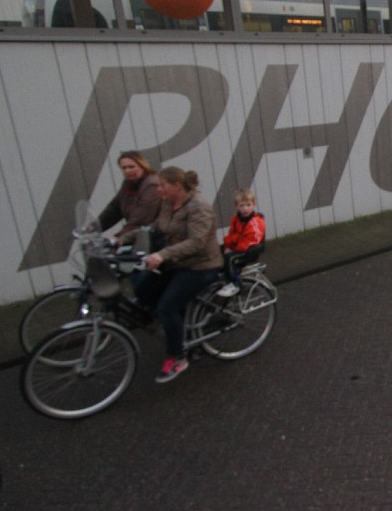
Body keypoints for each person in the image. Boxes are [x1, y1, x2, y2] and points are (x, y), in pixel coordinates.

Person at [135, 167, 224, 383]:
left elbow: (197, 242)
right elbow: (157, 227)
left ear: (176, 186)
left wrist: (162, 255)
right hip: (177, 261)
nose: (158, 189)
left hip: (201, 265)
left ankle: (177, 357)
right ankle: (176, 326)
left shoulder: (198, 207)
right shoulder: (169, 202)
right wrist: (122, 239)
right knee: (142, 289)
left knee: (166, 307)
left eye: (162, 185)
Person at [96, 150, 161, 244]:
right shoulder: (128, 183)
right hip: (136, 235)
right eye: (124, 168)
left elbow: (141, 219)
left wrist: (118, 236)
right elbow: (114, 209)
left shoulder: (151, 185)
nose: (127, 171)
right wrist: (92, 228)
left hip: (152, 237)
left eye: (131, 167)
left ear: (142, 166)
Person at [217, 188, 267, 298]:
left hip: (248, 251)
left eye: (248, 205)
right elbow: (231, 234)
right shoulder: (235, 219)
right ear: (237, 206)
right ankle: (221, 276)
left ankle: (235, 284)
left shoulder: (255, 222)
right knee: (216, 251)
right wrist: (228, 246)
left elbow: (251, 241)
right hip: (237, 247)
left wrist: (232, 249)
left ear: (253, 205)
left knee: (229, 258)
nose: (245, 208)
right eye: (242, 205)